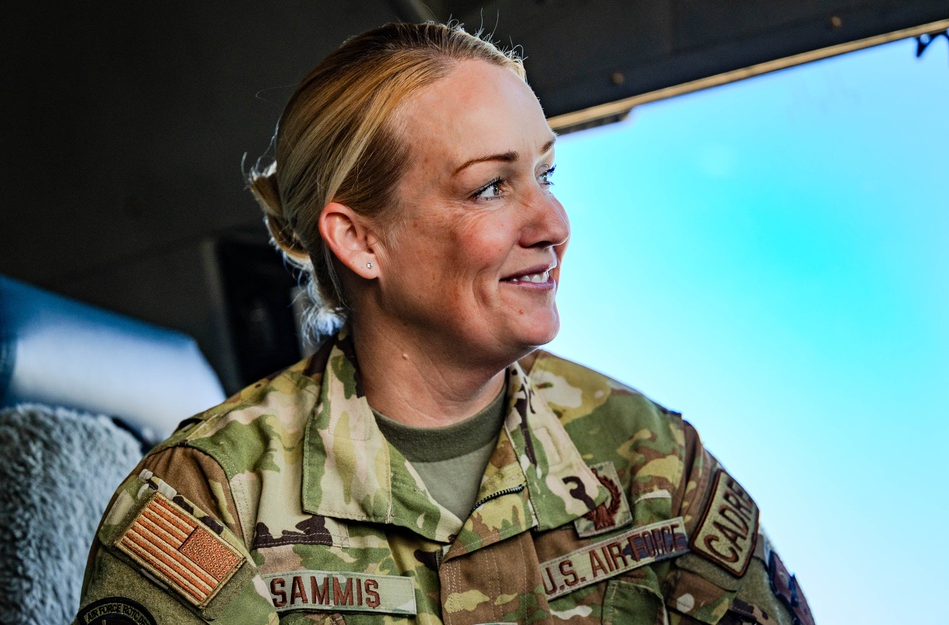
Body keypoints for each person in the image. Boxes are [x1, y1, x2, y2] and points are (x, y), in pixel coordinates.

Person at [75, 22, 814, 625]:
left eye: (545, 174)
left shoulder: (648, 457)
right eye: (490, 187)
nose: (553, 221)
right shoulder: (207, 503)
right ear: (361, 241)